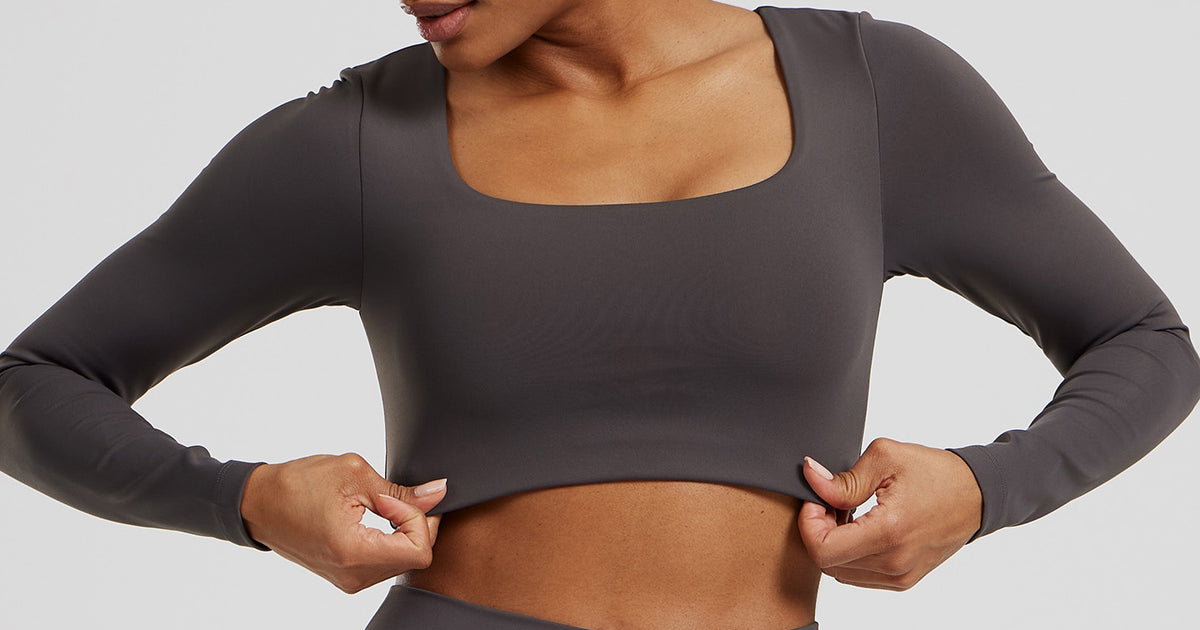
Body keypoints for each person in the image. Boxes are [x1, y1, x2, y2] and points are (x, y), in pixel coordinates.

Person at [1, 1, 1197, 628]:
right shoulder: (358, 139)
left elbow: (1144, 344)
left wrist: (986, 489)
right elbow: (35, 384)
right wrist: (249, 501)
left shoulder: (875, 93)